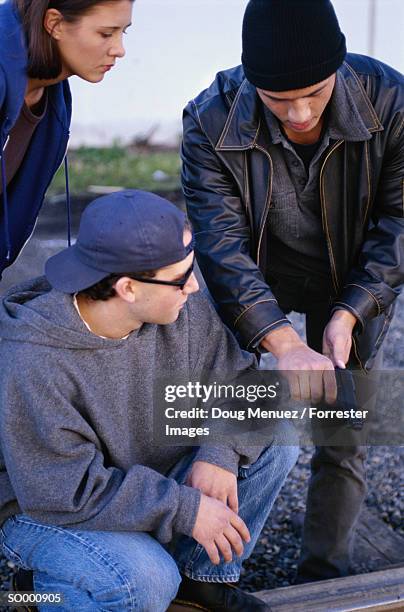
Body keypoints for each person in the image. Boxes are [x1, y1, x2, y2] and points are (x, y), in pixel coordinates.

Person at [181, 0, 404, 582]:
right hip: (258, 280)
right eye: (279, 100)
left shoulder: (393, 101)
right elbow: (220, 245)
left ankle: (322, 573)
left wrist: (351, 312)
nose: (300, 113)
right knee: (231, 412)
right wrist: (279, 341)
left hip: (354, 281)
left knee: (344, 430)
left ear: (340, 69)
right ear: (252, 81)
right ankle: (201, 570)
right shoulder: (210, 117)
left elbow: (400, 224)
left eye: (316, 92)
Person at [0, 189, 298, 611]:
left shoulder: (176, 305)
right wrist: (186, 509)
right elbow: (65, 492)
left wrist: (219, 453)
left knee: (276, 437)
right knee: (145, 580)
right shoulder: (34, 359)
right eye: (181, 277)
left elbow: (244, 381)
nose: (194, 286)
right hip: (46, 507)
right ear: (127, 288)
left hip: (136, 475)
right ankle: (36, 592)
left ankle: (198, 581)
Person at [0, 0, 133, 278]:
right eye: (106, 33)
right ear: (55, 24)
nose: (119, 50)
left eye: (124, 32)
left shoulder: (53, 96)